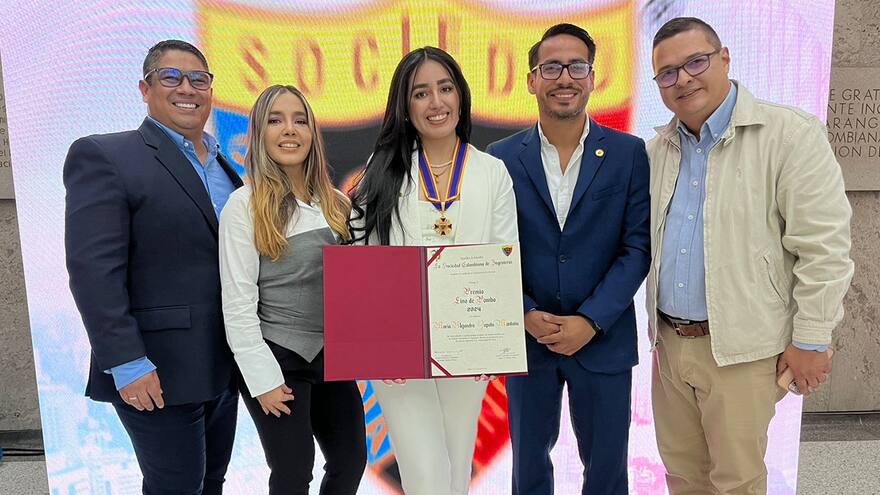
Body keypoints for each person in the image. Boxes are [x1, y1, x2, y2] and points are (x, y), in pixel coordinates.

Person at [646, 17, 853, 494]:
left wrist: (812, 339)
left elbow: (824, 248)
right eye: (668, 72)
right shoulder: (658, 151)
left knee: (736, 482)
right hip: (670, 348)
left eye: (695, 61)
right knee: (682, 477)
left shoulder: (789, 135)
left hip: (742, 351)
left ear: (724, 59)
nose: (684, 79)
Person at [64, 40, 242, 494]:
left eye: (199, 79)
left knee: (211, 482)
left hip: (224, 366)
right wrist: (126, 362)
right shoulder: (105, 155)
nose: (187, 88)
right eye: (171, 77)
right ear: (145, 88)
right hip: (155, 371)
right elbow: (92, 270)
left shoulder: (227, 166)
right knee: (177, 487)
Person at [486, 23, 650, 495]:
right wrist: (524, 312)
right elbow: (490, 248)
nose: (565, 77)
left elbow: (636, 248)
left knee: (606, 472)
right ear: (532, 79)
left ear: (592, 76)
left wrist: (590, 320)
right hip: (527, 340)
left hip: (604, 339)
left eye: (577, 66)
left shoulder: (628, 153)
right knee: (528, 470)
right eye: (551, 67)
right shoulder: (499, 158)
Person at [348, 46, 518, 495]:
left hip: (467, 345)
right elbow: (365, 260)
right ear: (406, 107)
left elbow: (504, 257)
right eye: (421, 93)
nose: (436, 102)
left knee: (456, 468)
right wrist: (379, 346)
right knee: (423, 472)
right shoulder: (381, 171)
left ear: (460, 97)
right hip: (399, 350)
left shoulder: (492, 172)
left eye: (445, 89)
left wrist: (491, 344)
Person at [219, 84, 366, 494]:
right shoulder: (244, 206)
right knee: (293, 471)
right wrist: (262, 379)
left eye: (300, 120)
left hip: (332, 358)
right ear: (258, 134)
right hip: (276, 355)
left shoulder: (338, 203)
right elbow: (237, 302)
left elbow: (361, 289)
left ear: (312, 133)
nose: (290, 130)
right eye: (276, 120)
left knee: (350, 462)